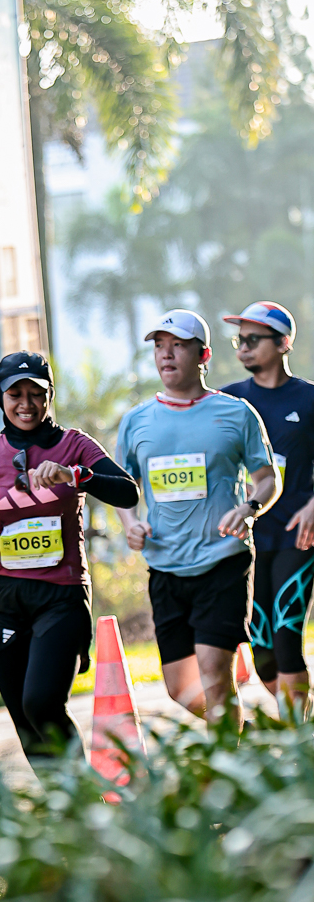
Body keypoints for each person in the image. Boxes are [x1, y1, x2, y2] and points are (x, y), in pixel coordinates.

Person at [0, 352, 138, 759]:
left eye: (36, 394)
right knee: (24, 721)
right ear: (0, 398)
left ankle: (84, 788)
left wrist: (74, 475)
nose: (26, 404)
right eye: (15, 394)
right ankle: (62, 800)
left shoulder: (73, 445)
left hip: (61, 595)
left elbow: (127, 492)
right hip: (6, 597)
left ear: (50, 396)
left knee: (41, 704)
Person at [116, 309, 280, 725]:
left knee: (214, 672)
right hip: (165, 564)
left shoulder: (237, 413)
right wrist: (131, 523)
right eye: (159, 346)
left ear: (204, 355)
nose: (166, 355)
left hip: (223, 559)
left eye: (178, 346)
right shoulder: (136, 421)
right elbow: (123, 488)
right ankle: (239, 733)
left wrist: (249, 508)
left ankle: (225, 759)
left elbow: (267, 479)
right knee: (181, 690)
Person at [221, 301, 314, 716]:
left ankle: (298, 733)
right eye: (239, 340)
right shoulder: (229, 400)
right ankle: (300, 718)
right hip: (249, 538)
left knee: (286, 631)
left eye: (253, 339)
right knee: (260, 644)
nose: (243, 347)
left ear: (283, 343)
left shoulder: (308, 399)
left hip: (298, 535)